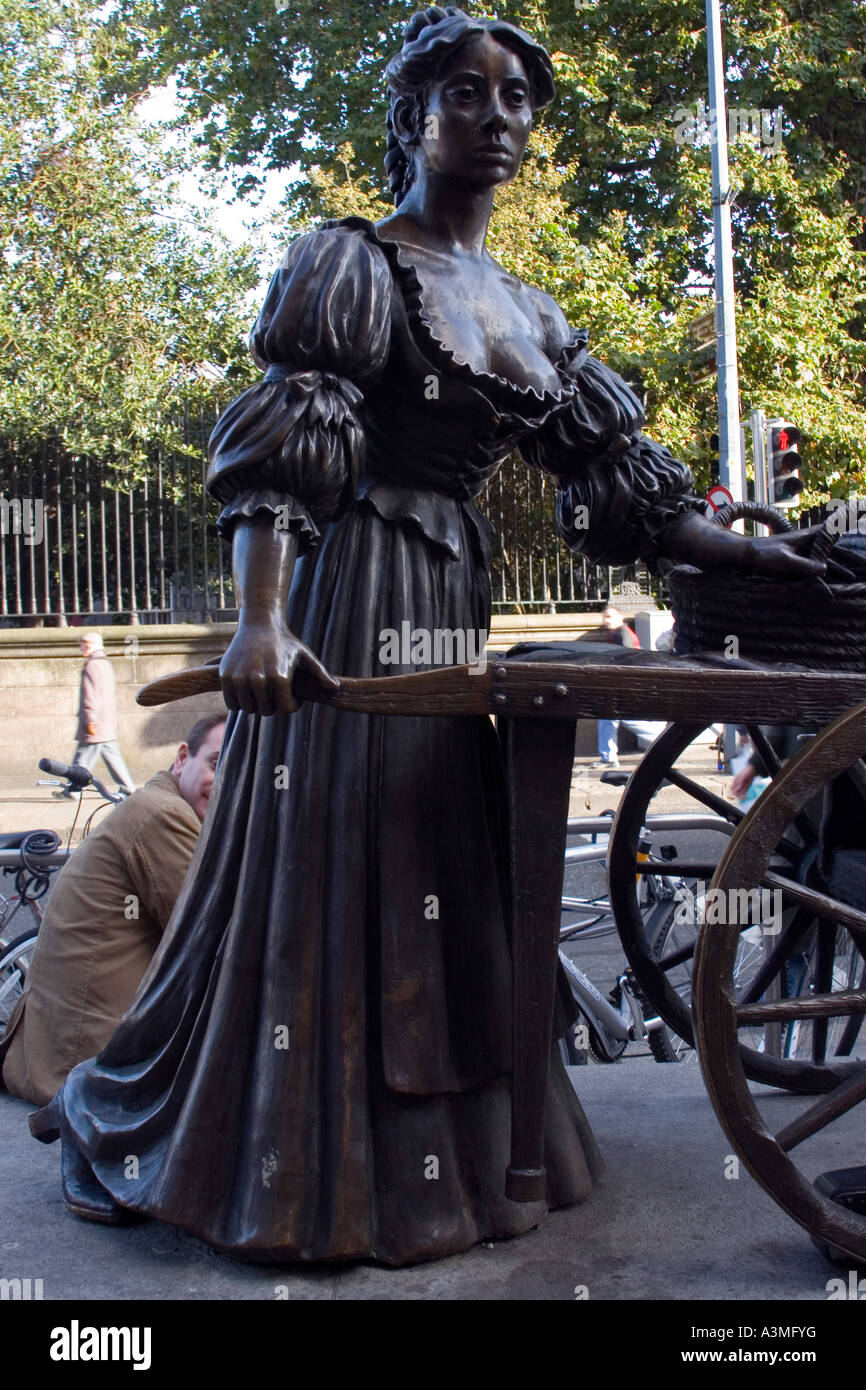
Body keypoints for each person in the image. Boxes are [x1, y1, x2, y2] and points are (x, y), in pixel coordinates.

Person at [34, 7, 824, 1262]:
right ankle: (264, 1157)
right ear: (412, 117)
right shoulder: (350, 263)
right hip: (353, 602)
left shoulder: (528, 310)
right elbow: (284, 448)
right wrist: (257, 621)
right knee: (347, 869)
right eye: (468, 95)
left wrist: (755, 551)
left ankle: (450, 1164)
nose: (497, 121)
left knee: (444, 867)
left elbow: (625, 489)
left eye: (516, 102)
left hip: (454, 601)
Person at [1, 715, 226, 1107]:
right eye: (217, 764)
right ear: (182, 758)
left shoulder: (159, 805)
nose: (224, 784)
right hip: (88, 1073)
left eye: (240, 774)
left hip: (62, 1056)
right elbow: (215, 936)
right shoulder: (162, 815)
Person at [65, 633, 135, 796]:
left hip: (95, 723)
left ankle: (74, 790)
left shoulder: (92, 666)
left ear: (88, 645)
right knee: (113, 757)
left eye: (81, 644)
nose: (79, 647)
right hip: (106, 723)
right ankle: (128, 787)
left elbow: (91, 696)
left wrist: (90, 720)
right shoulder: (105, 664)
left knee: (82, 759)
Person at [593, 605, 639, 768]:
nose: (606, 621)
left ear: (620, 617)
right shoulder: (616, 634)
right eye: (605, 617)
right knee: (609, 717)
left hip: (625, 684)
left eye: (610, 617)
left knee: (614, 716)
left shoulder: (622, 634)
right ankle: (608, 757)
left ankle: (609, 757)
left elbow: (627, 660)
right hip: (623, 684)